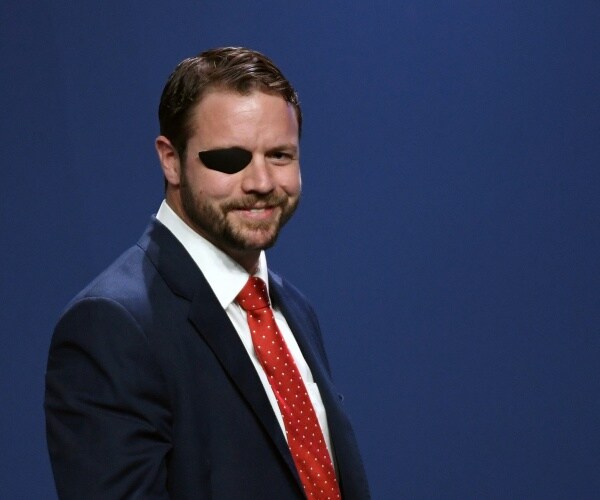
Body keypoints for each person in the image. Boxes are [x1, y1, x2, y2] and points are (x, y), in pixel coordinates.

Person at [45, 47, 370, 499]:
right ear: (170, 160)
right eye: (229, 158)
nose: (260, 182)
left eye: (279, 155)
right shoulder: (111, 327)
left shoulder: (292, 310)